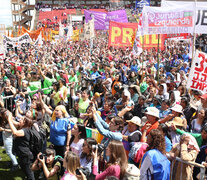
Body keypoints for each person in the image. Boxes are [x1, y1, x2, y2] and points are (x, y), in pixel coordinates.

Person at [7, 112, 35, 180]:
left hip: (26, 155)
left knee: (29, 172)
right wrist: (9, 117)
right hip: (21, 154)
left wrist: (9, 120)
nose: (19, 120)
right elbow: (15, 123)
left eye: (21, 119)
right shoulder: (23, 127)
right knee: (24, 169)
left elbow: (15, 133)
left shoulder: (25, 131)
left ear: (25, 123)